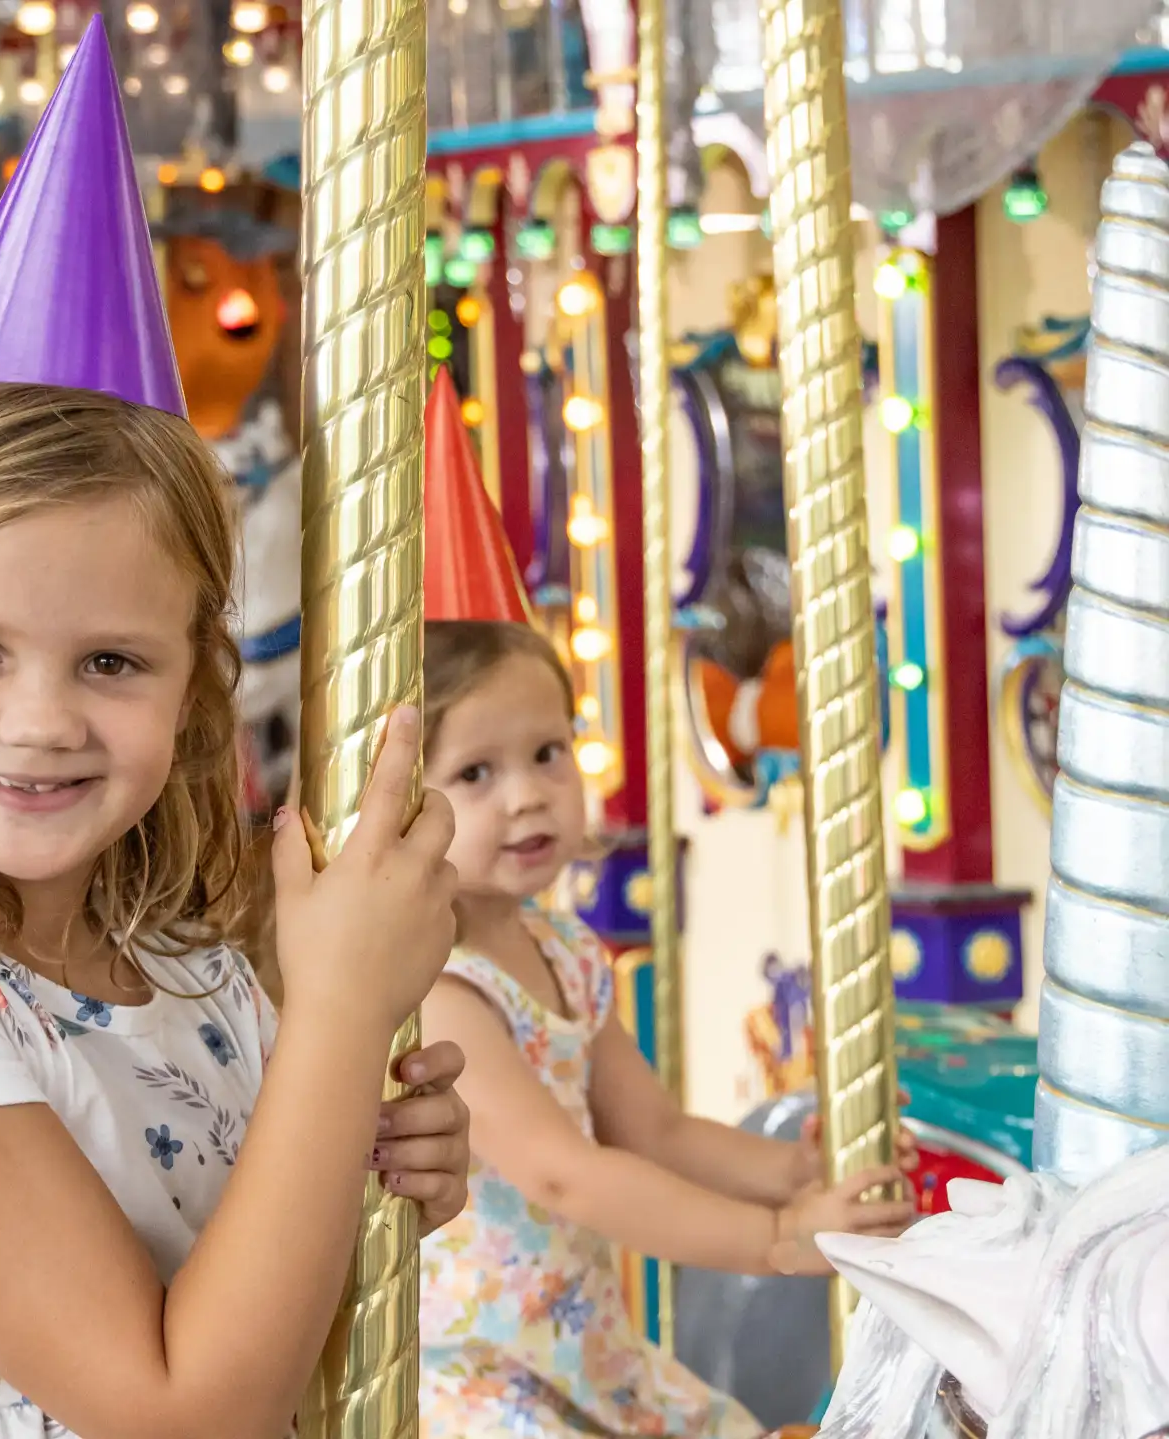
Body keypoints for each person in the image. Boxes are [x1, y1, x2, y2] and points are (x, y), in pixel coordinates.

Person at [0, 22, 470, 1439]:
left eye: (112, 658)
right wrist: (342, 1023)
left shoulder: (196, 977)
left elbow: (252, 1299)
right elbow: (181, 1406)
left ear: (196, 680)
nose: (42, 719)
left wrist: (373, 1176)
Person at [411, 370, 918, 1439]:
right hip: (472, 1371)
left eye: (548, 752)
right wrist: (779, 1236)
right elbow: (569, 1172)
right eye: (476, 773)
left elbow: (654, 1127)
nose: (529, 793)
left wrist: (795, 1167)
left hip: (581, 1345)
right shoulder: (439, 989)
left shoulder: (564, 949)